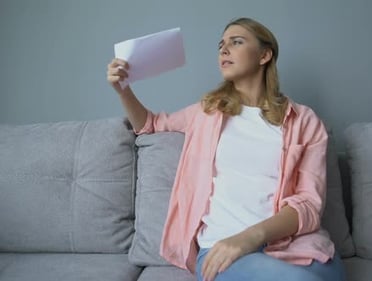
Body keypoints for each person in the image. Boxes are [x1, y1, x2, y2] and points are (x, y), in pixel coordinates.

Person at [107, 17, 345, 281]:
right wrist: (123, 90)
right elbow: (150, 124)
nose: (224, 49)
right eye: (221, 44)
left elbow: (308, 204)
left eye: (237, 42)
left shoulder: (305, 121)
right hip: (223, 250)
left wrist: (250, 236)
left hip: (297, 248)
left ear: (265, 55)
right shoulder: (207, 112)